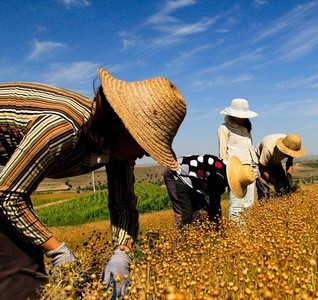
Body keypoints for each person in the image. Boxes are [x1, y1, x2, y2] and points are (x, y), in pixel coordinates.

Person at [0, 67, 186, 300]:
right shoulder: (62, 128)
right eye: (144, 144)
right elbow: (8, 195)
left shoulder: (119, 149)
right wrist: (58, 251)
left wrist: (122, 254)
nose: (144, 154)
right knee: (20, 273)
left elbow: (123, 203)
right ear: (124, 127)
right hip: (6, 190)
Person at [163, 155, 256, 230]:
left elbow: (213, 206)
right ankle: (180, 247)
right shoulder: (218, 177)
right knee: (185, 215)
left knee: (201, 212)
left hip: (193, 180)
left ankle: (195, 241)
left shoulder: (225, 170)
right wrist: (217, 230)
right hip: (175, 173)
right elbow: (214, 206)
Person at [217, 98, 258, 221]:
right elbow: (223, 152)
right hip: (235, 169)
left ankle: (245, 232)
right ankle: (235, 233)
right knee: (236, 204)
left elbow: (250, 148)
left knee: (249, 204)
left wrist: (255, 165)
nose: (242, 118)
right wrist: (226, 171)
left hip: (249, 169)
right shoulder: (224, 128)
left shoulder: (246, 128)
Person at [255, 133, 306, 198]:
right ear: (285, 149)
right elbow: (262, 169)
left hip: (275, 161)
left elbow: (289, 162)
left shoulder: (292, 143)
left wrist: (289, 178)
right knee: (265, 192)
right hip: (260, 163)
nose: (290, 155)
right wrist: (274, 182)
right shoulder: (269, 148)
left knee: (286, 188)